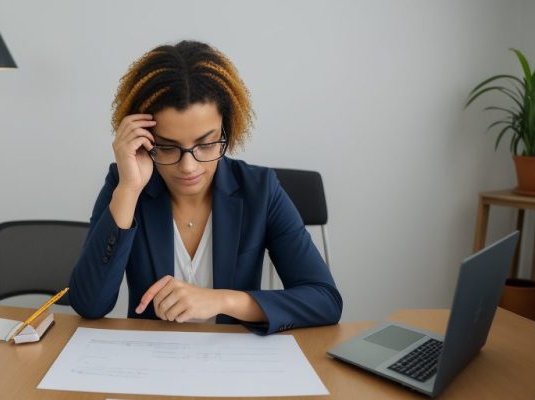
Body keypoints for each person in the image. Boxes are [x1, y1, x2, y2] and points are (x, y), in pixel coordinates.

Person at [69, 40, 341, 335]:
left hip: (234, 365)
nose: (189, 167)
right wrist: (129, 190)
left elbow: (324, 300)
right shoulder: (126, 184)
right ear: (145, 140)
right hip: (150, 364)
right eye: (168, 147)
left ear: (227, 129)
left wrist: (221, 300)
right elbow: (89, 304)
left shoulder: (260, 190)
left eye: (206, 143)